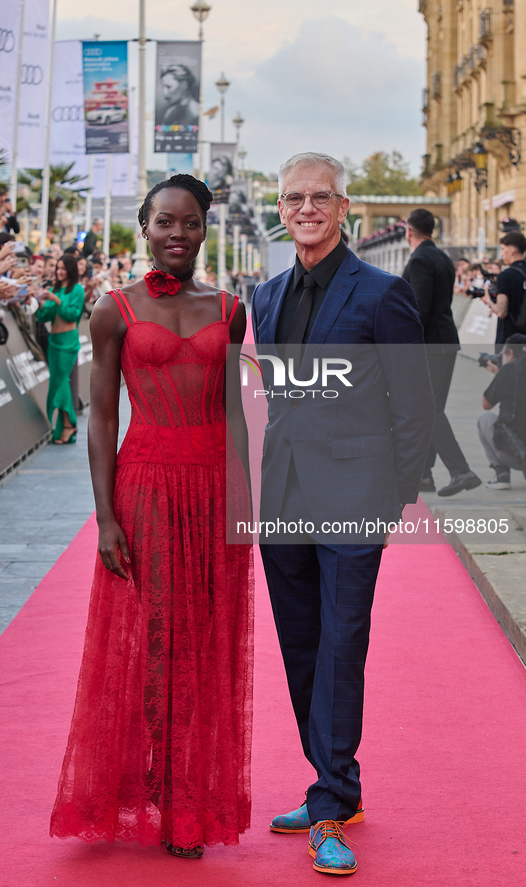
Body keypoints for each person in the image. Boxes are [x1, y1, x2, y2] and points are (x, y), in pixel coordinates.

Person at [50, 174, 254, 858]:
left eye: (189, 222)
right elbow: (101, 415)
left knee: (203, 636)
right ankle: (156, 782)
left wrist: (245, 502)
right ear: (144, 227)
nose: (176, 233)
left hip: (212, 488)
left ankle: (187, 784)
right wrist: (105, 516)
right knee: (156, 632)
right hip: (146, 489)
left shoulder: (229, 309)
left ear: (204, 229)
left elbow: (233, 413)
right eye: (164, 221)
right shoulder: (112, 309)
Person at [251, 152, 434, 877]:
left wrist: (392, 494)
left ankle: (327, 803)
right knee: (300, 643)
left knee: (340, 644)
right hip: (285, 497)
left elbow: (413, 403)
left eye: (319, 196)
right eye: (293, 196)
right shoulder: (263, 296)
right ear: (281, 206)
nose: (305, 207)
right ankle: (335, 780)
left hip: (355, 498)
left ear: (343, 206)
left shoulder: (381, 293)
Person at [403, 208, 482, 497]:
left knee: (428, 409)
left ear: (409, 231)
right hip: (445, 341)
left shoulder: (421, 258)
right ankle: (425, 477)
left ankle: (460, 470)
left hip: (430, 343)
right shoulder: (442, 257)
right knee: (433, 408)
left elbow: (419, 306)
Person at [36, 254, 85, 444]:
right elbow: (44, 316)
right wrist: (40, 301)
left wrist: (55, 300)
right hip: (54, 341)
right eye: (58, 268)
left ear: (70, 270)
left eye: (63, 268)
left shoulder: (77, 290)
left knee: (62, 380)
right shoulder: (54, 289)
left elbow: (72, 314)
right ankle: (64, 426)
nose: (60, 271)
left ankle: (69, 425)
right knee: (56, 383)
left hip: (68, 341)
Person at [478, 333, 526, 489]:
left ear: (510, 353)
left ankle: (502, 476)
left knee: (485, 419)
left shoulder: (507, 371)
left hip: (515, 453)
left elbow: (486, 404)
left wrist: (500, 376)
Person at [481, 231, 526, 345]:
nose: (501, 254)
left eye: (502, 249)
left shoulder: (506, 275)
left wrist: (488, 300)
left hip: (509, 338)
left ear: (512, 251)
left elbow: (501, 311)